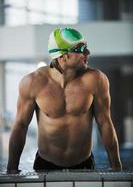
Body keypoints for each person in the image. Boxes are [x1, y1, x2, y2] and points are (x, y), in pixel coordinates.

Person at [7, 27, 122, 173]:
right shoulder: (33, 82)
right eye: (81, 49)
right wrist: (12, 169)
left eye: (86, 47)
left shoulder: (96, 80)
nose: (88, 52)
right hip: (45, 164)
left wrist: (117, 167)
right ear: (63, 56)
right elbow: (20, 126)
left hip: (84, 163)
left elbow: (105, 123)